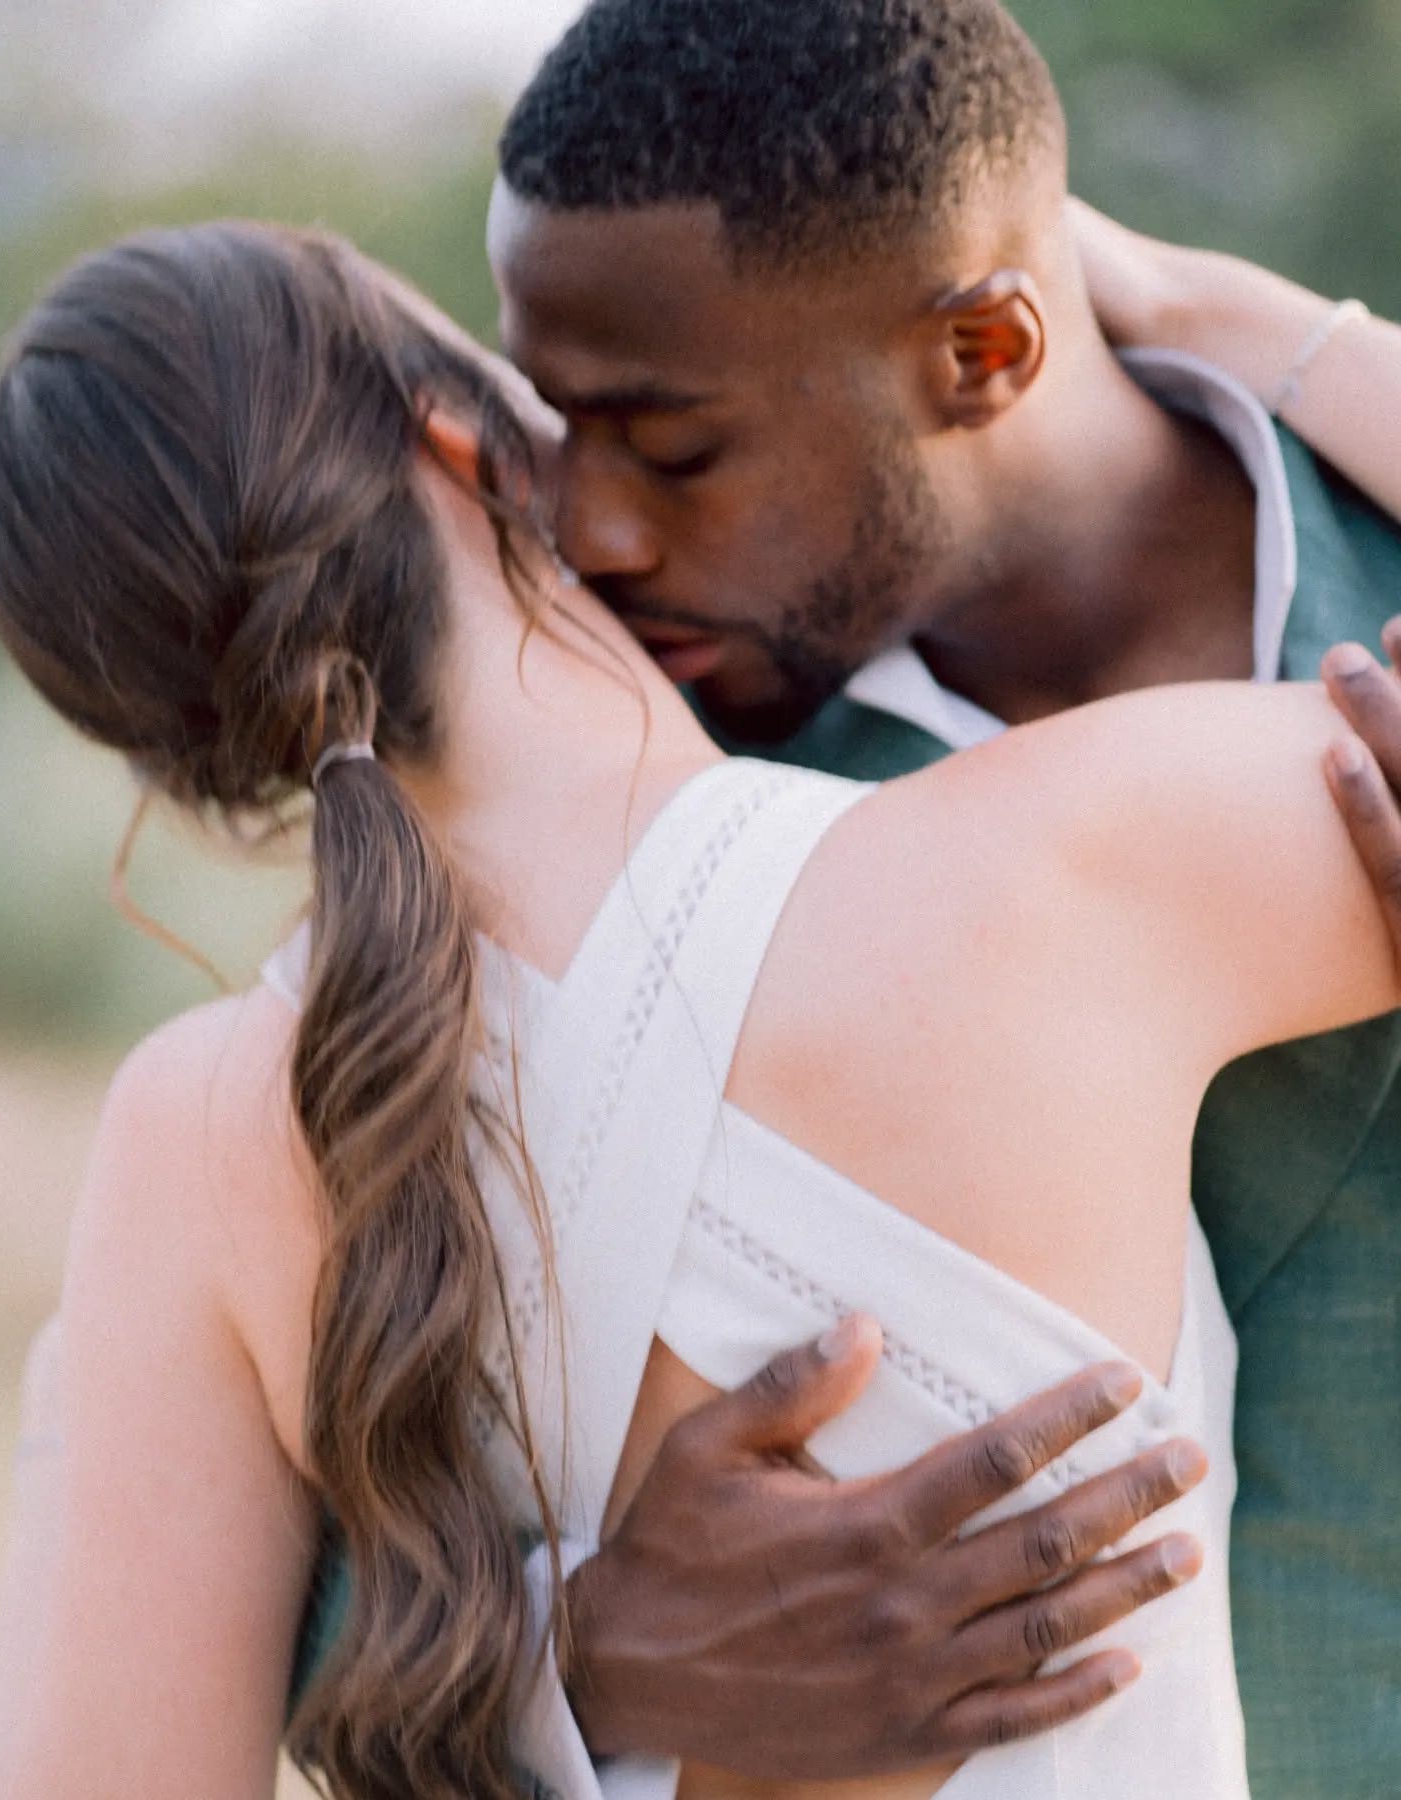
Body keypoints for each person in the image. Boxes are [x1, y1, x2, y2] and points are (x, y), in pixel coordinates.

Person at [0, 219, 1401, 1800]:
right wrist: (1246, 317)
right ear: (465, 439)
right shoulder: (1073, 860)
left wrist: (506, 1673)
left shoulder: (200, 1136)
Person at [486, 3, 1401, 1793]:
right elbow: (311, 1483)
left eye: (670, 447)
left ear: (983, 346)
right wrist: (572, 1653)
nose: (588, 531)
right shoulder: (611, 795)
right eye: (555, 431)